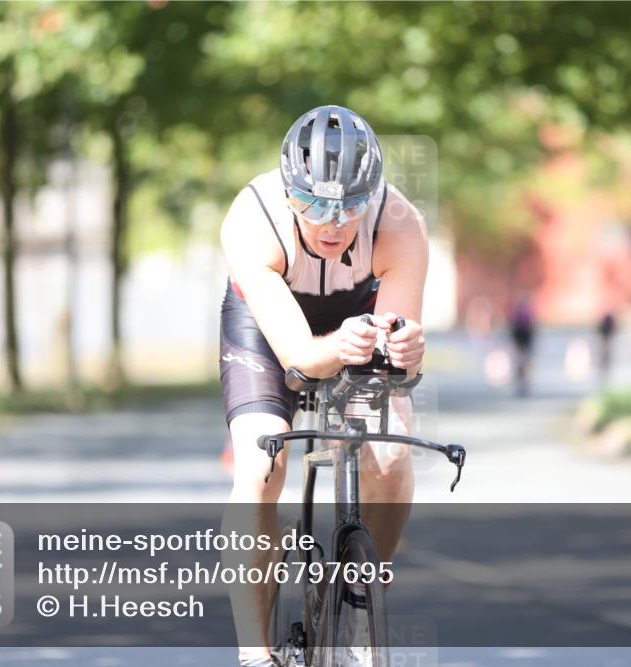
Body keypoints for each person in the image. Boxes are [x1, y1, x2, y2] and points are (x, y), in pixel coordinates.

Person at [218, 105, 428, 667]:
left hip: (359, 315)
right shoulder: (251, 219)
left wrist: (405, 351)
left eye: (351, 206)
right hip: (270, 329)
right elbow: (301, 357)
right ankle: (255, 653)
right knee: (260, 467)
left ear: (372, 196)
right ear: (289, 194)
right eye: (313, 206)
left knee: (390, 455)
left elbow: (398, 356)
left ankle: (363, 596)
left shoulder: (401, 223)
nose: (333, 223)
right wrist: (338, 349)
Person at [508, 295, 535, 395]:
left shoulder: (521, 313)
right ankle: (523, 379)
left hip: (523, 337)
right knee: (523, 359)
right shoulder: (523, 313)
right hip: (522, 337)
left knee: (522, 359)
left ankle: (523, 379)